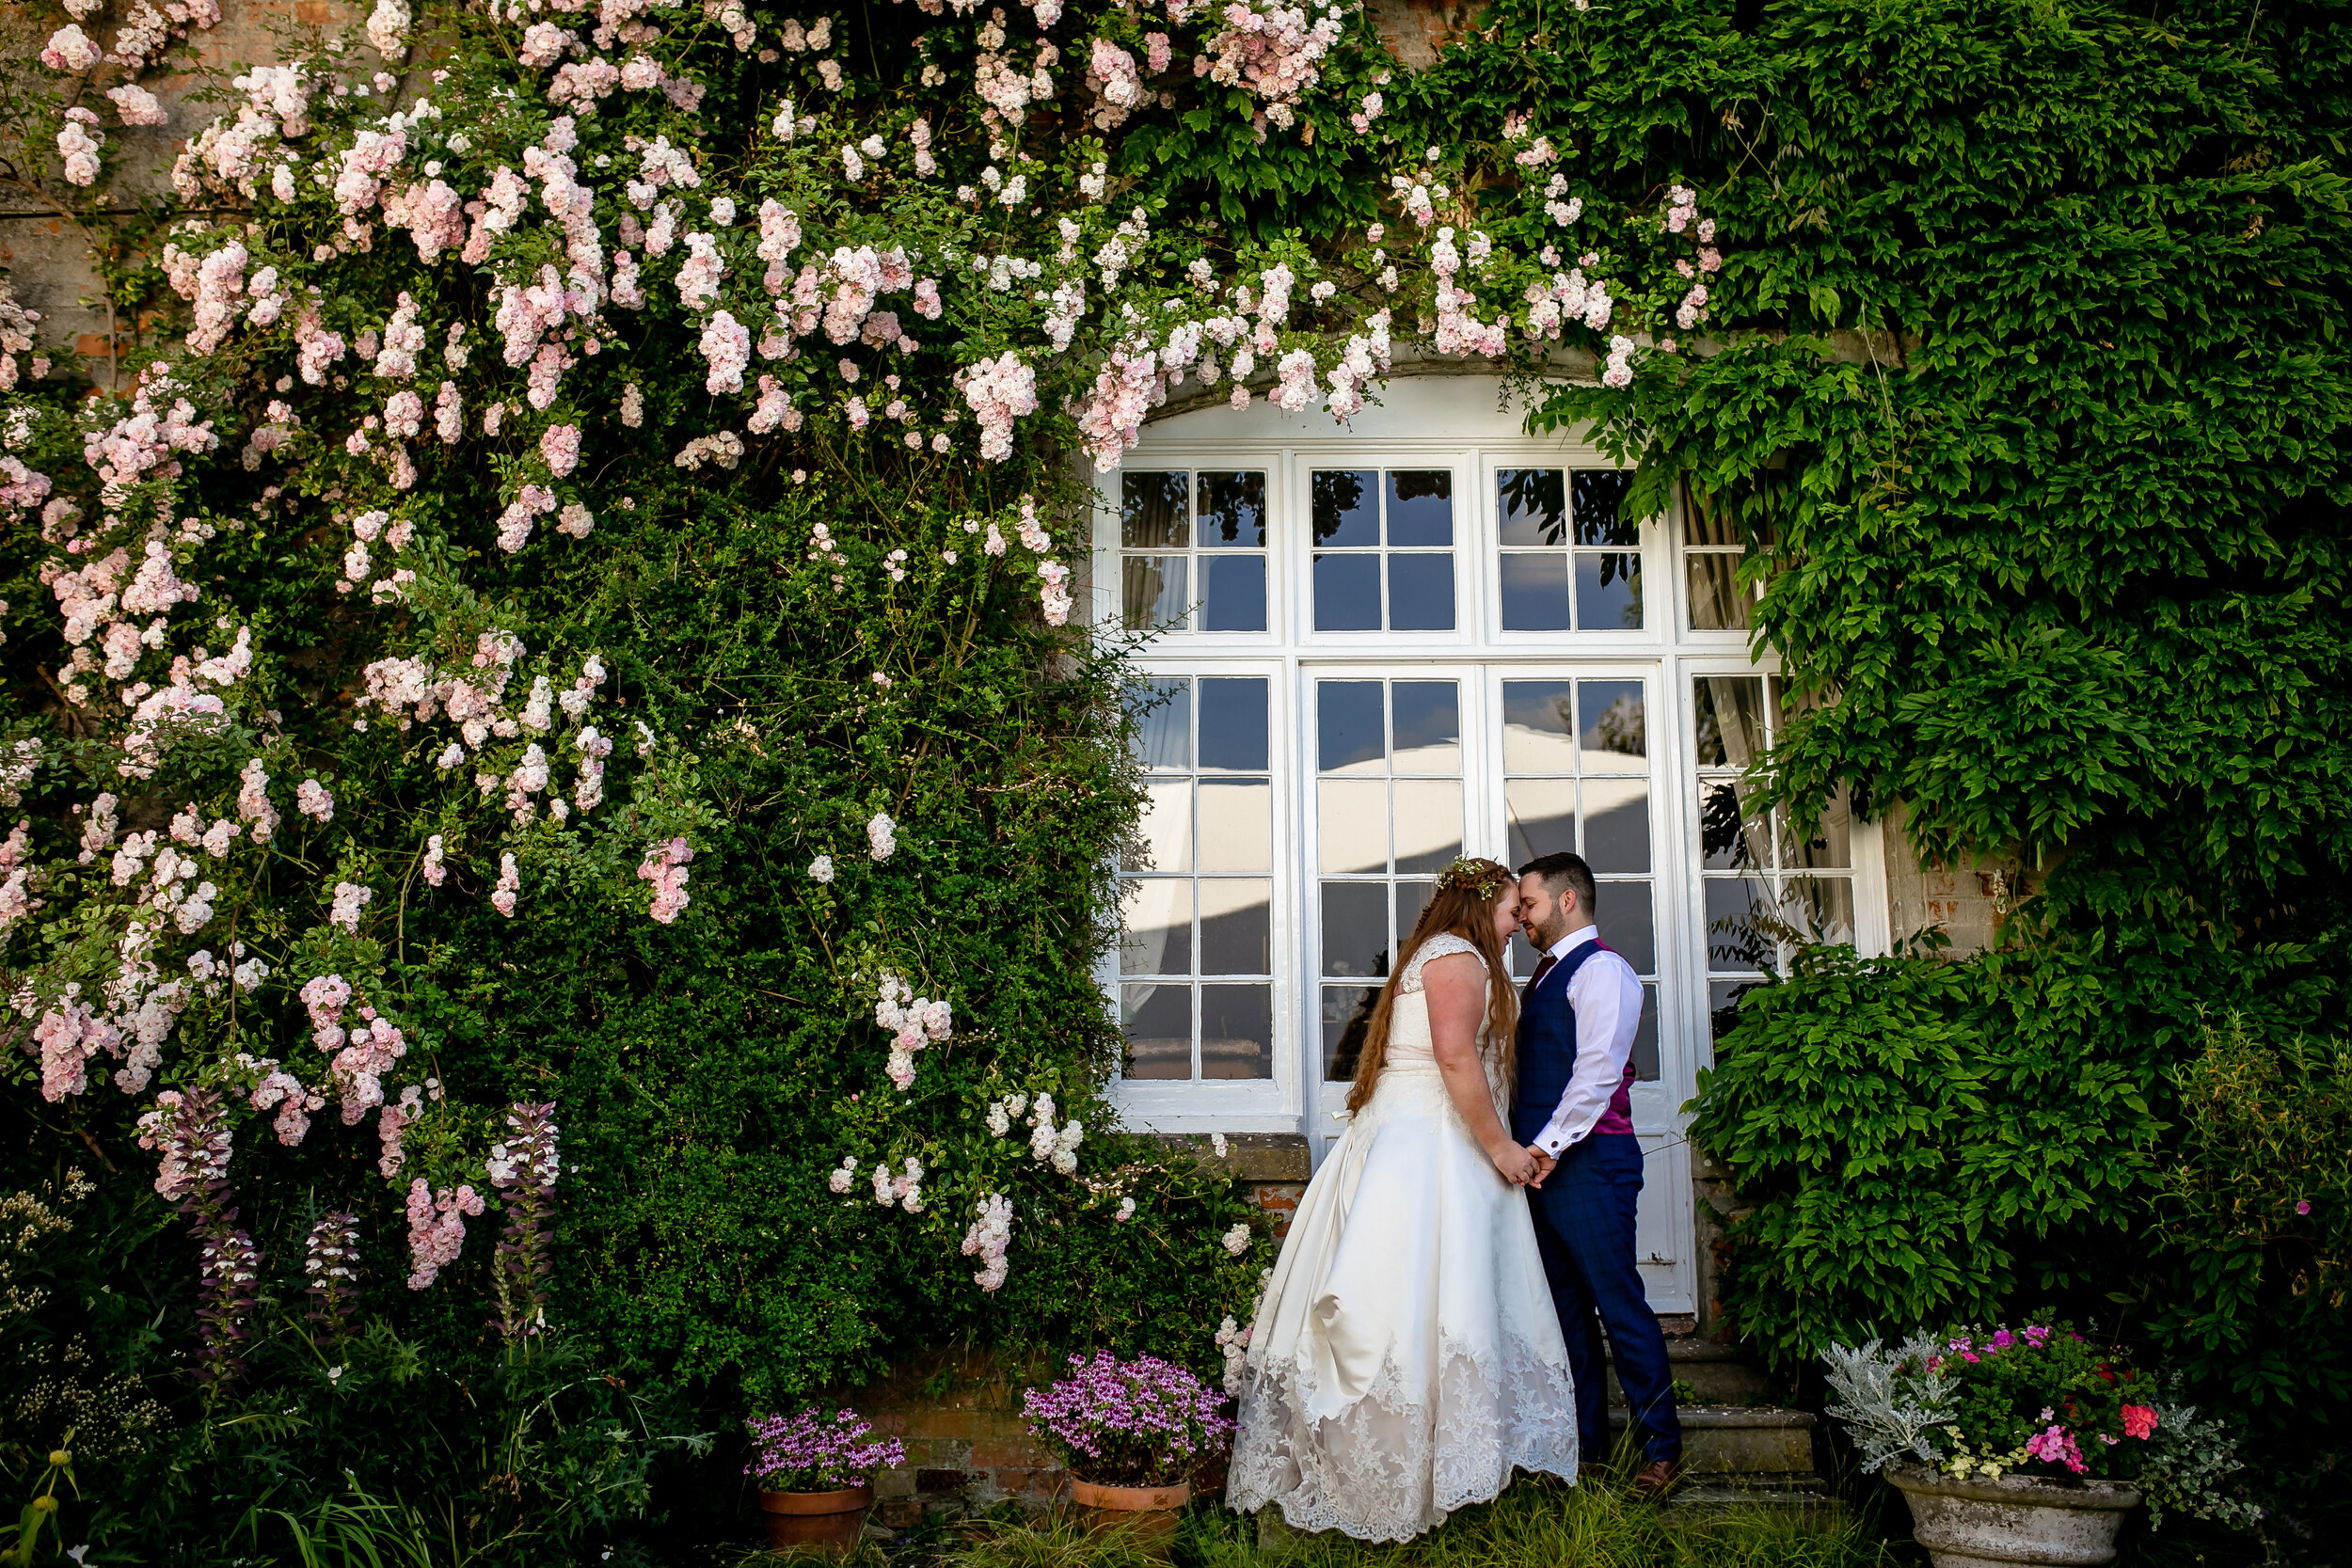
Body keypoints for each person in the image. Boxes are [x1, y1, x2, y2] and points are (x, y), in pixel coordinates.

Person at [1226, 858, 1579, 1542]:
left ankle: (1419, 1466)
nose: (1517, 925)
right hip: (1428, 1145)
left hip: (1405, 1134)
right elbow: (1455, 1057)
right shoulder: (1461, 958)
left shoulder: (1435, 953)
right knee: (1419, 1297)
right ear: (1482, 909)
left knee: (1417, 1301)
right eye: (1512, 911)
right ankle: (1401, 1471)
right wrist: (1502, 1147)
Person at [1512, 850, 1684, 1499]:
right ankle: (1588, 1448)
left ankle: (1662, 1451)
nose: (1521, 916)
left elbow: (1597, 1073)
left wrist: (1549, 1146)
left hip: (1590, 1164)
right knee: (1566, 1316)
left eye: (1527, 903)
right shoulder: (1544, 975)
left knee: (1620, 1307)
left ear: (1565, 900)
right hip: (1541, 1169)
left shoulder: (1603, 969)